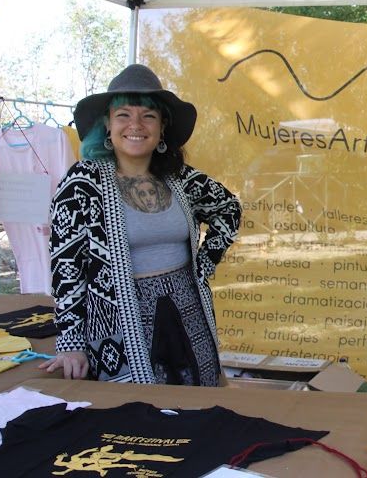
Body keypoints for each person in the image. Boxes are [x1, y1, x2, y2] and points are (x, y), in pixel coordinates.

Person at [40, 64, 242, 385]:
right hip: (118, 324)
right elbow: (67, 267)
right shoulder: (82, 183)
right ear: (107, 124)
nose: (135, 125)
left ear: (162, 128)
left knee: (202, 403)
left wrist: (204, 264)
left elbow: (229, 209)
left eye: (148, 116)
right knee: (138, 412)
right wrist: (71, 343)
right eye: (123, 115)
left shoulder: (181, 179)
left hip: (189, 312)